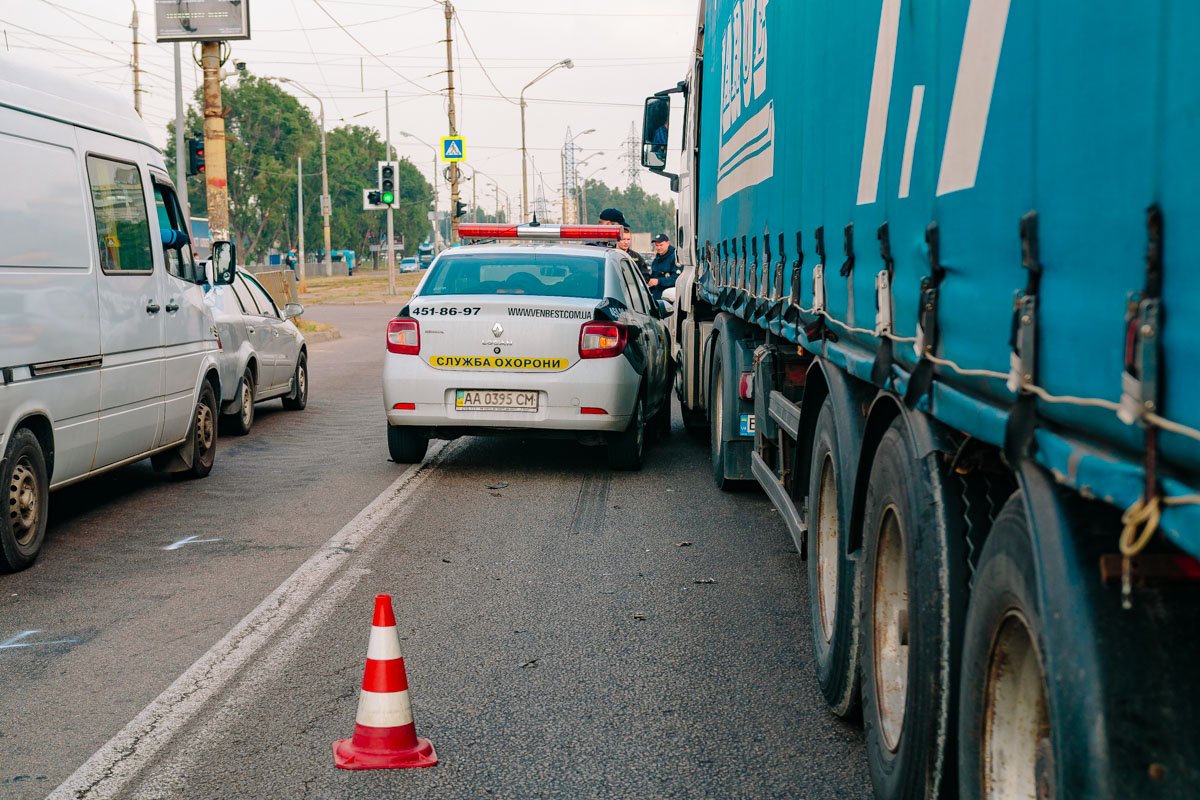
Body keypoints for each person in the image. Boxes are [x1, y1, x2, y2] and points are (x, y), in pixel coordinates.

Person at [647, 232, 680, 300]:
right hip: (657, 297)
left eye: (661, 245)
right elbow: (653, 276)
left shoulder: (675, 258)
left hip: (669, 298)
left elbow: (676, 279)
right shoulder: (656, 260)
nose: (658, 248)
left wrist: (659, 281)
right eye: (656, 245)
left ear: (668, 243)